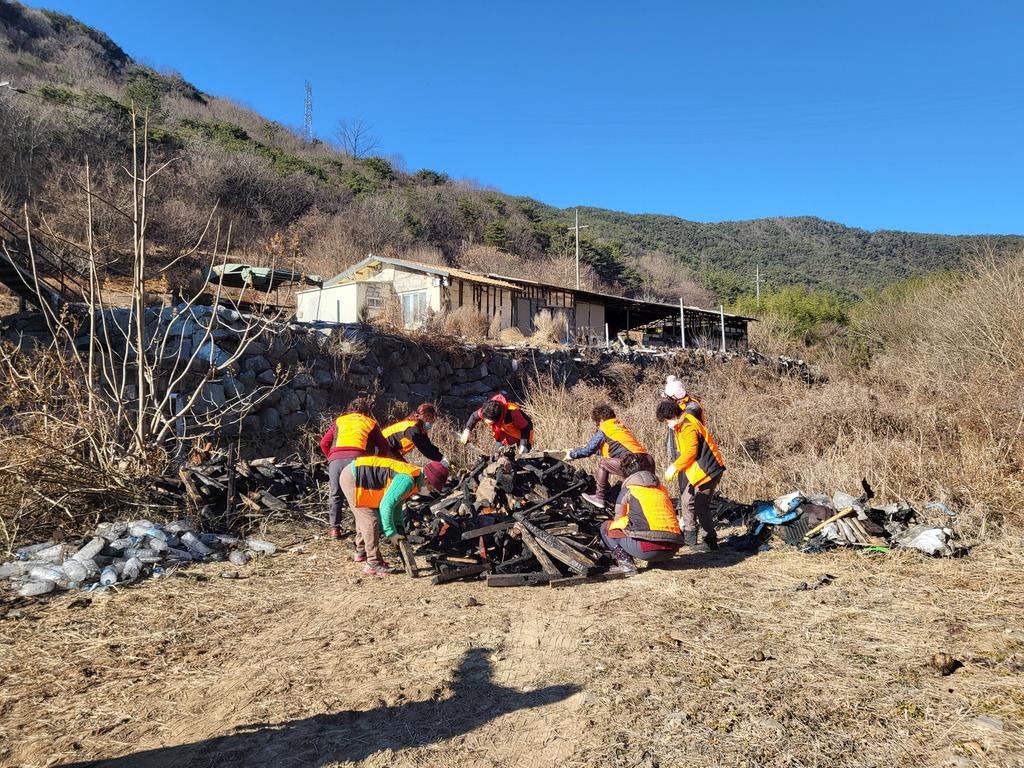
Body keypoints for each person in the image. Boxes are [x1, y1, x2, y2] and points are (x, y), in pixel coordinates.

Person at [340, 456, 449, 576]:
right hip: (353, 478)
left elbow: (397, 504)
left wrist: (399, 526)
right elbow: (386, 505)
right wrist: (390, 532)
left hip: (356, 475)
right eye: (431, 487)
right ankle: (373, 563)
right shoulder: (407, 479)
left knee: (366, 519)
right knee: (371, 520)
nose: (430, 490)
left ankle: (361, 552)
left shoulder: (414, 477)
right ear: (427, 479)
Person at [655, 398, 726, 549]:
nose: (667, 424)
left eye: (667, 421)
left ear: (673, 416)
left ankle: (710, 542)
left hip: (709, 470)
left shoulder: (688, 426)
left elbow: (690, 452)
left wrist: (675, 467)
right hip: (699, 471)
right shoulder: (683, 424)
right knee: (688, 501)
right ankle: (690, 538)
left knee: (701, 505)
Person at [320, 396, 392, 542]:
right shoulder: (370, 422)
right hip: (357, 460)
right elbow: (384, 447)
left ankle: (334, 529)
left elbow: (323, 443)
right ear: (366, 411)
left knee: (335, 494)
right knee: (359, 495)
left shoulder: (340, 421)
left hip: (335, 460)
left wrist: (331, 457)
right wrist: (375, 462)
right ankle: (360, 529)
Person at [600, 453, 684, 574]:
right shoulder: (661, 489)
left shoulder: (628, 490)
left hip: (646, 550)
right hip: (672, 548)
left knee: (608, 527)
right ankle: (658, 561)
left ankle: (626, 563)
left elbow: (618, 518)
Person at [561, 404, 655, 509]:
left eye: (597, 423)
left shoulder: (605, 427)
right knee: (644, 489)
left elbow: (588, 450)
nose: (597, 426)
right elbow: (613, 449)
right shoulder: (619, 426)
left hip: (631, 462)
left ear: (600, 420)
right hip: (648, 460)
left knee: (604, 464)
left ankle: (600, 498)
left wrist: (571, 454)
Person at [459, 393, 534, 454]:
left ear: (498, 418)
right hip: (503, 430)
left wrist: (523, 445)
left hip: (522, 431)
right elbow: (474, 416)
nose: (487, 422)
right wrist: (467, 430)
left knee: (524, 454)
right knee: (497, 452)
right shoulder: (486, 410)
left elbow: (525, 429)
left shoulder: (513, 414)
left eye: (490, 421)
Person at [382, 403, 448, 464]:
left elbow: (428, 446)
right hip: (382, 446)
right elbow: (425, 449)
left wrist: (442, 457)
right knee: (405, 471)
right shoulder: (412, 429)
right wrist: (441, 460)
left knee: (405, 469)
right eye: (431, 420)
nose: (431, 424)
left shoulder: (420, 428)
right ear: (425, 417)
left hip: (389, 448)